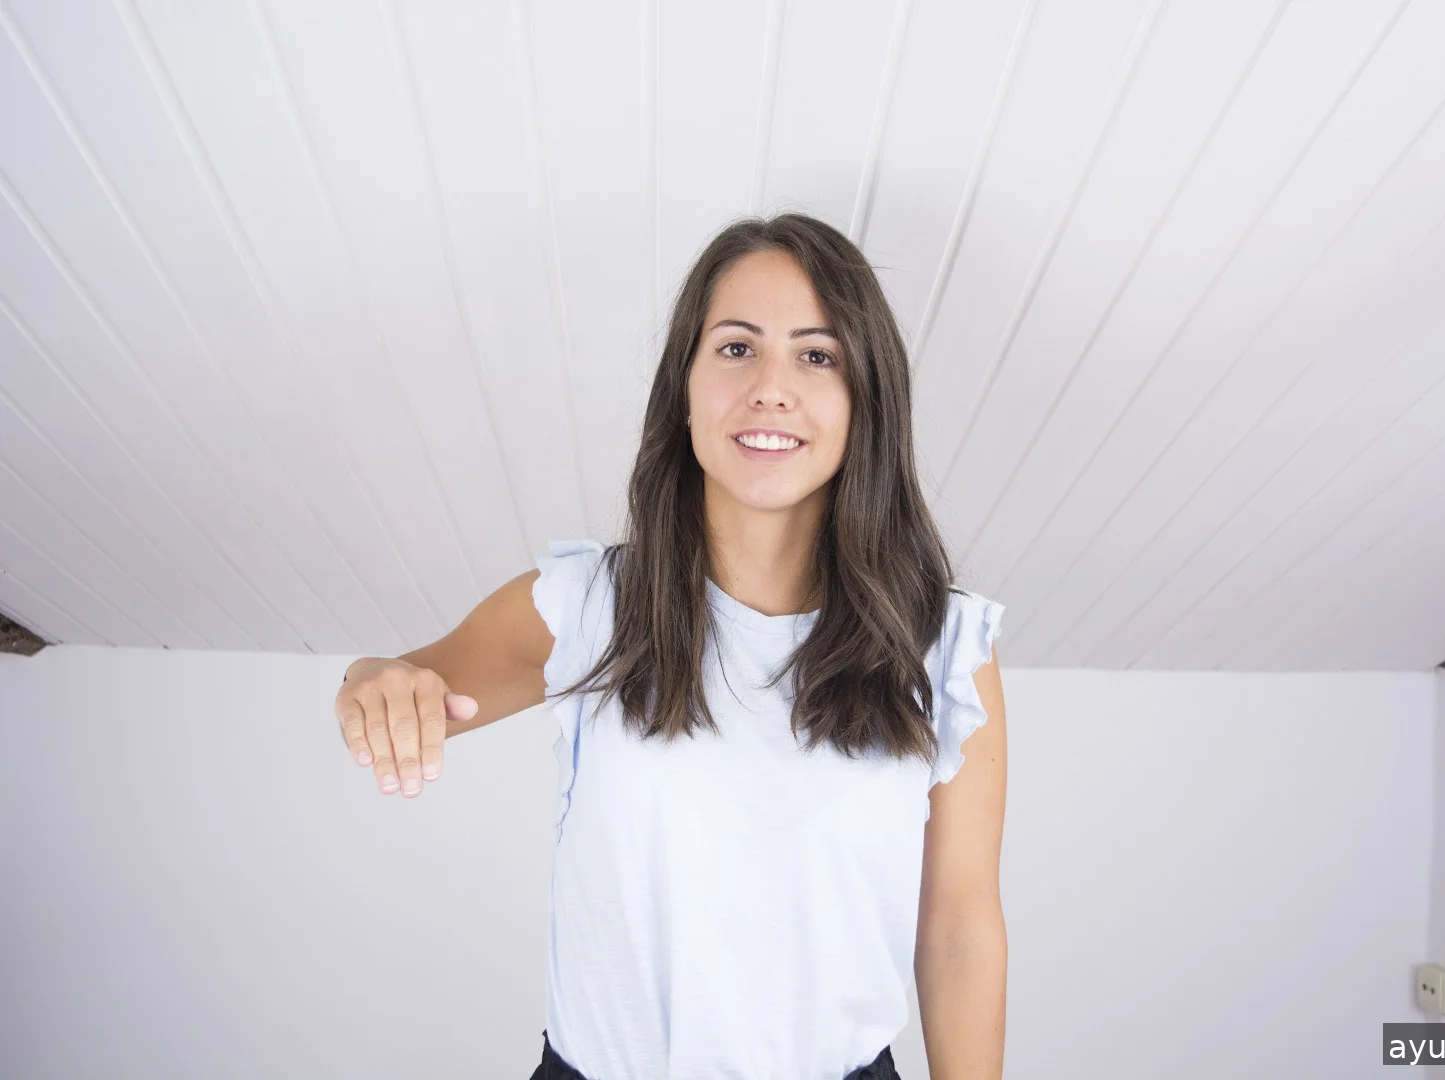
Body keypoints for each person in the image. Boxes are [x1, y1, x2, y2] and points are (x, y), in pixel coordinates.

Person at [335, 213, 1008, 1079]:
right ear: (684, 389)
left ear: (866, 399)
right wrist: (370, 678)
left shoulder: (945, 649)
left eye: (817, 355)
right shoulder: (583, 606)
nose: (771, 388)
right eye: (736, 348)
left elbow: (959, 931)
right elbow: (402, 681)